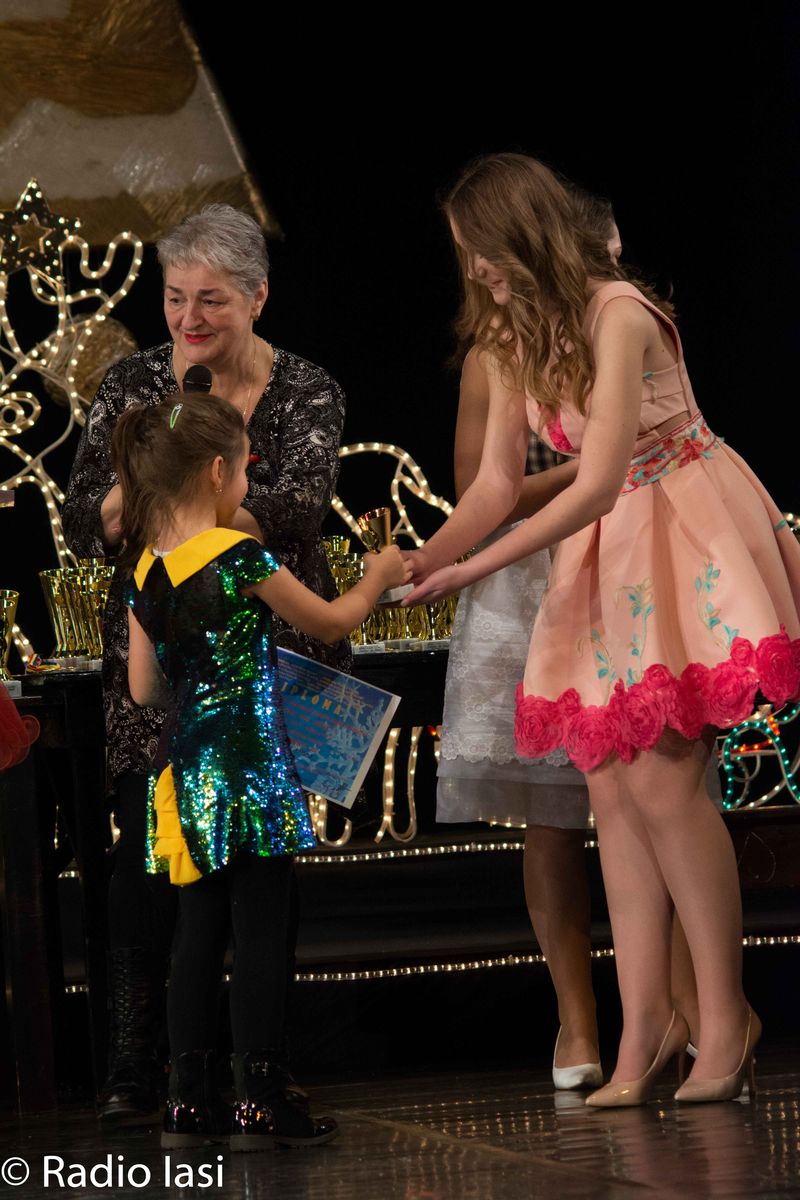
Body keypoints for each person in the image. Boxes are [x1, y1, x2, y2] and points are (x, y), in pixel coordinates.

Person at [407, 153, 800, 1106]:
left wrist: (471, 568)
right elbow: (495, 485)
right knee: (612, 793)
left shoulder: (618, 312)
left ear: (520, 234)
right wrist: (423, 559)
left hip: (677, 530)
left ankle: (724, 1023)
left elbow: (597, 479)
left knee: (665, 787)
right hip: (608, 549)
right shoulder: (513, 337)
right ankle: (644, 1033)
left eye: (480, 250)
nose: (476, 271)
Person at [62, 204, 349, 1120]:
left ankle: (260, 1068)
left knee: (262, 880)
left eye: (212, 300)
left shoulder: (306, 390)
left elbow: (296, 507)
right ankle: (140, 1067)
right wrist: (144, 499)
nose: (189, 318)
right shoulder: (132, 383)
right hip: (161, 660)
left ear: (258, 297)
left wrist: (178, 513)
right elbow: (83, 515)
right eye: (175, 296)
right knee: (152, 870)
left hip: (267, 669)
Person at [113, 392, 409, 1148]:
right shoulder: (237, 555)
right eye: (246, 470)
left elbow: (143, 689)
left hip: (187, 769)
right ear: (218, 472)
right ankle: (261, 1095)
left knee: (196, 932)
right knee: (262, 929)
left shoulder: (145, 570)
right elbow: (330, 621)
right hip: (249, 764)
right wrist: (377, 576)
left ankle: (186, 1097)